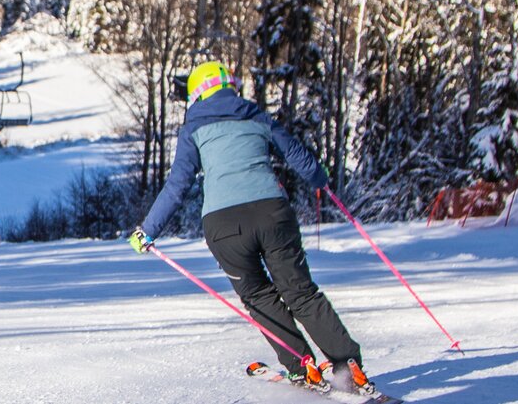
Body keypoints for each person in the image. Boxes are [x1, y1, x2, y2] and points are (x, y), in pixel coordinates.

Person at [128, 62, 380, 398]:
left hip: (223, 226)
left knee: (259, 297)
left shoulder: (193, 129)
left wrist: (148, 229)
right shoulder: (257, 117)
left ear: (197, 94)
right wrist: (322, 183)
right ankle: (348, 366)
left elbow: (178, 186)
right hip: (273, 215)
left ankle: (299, 363)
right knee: (301, 292)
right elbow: (297, 155)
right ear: (230, 88)